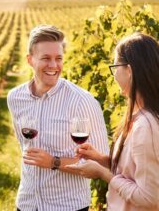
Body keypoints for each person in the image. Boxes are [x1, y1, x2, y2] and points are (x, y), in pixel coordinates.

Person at [7, 25, 109, 211]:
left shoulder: (82, 101)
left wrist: (54, 162)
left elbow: (100, 163)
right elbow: (24, 146)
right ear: (29, 60)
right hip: (27, 203)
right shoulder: (15, 98)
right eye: (46, 58)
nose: (53, 65)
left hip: (67, 206)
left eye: (58, 58)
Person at [66, 33, 159, 210]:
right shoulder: (140, 116)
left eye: (115, 66)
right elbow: (133, 171)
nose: (114, 74)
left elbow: (149, 199)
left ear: (129, 71)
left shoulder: (147, 127)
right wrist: (102, 159)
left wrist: (103, 173)